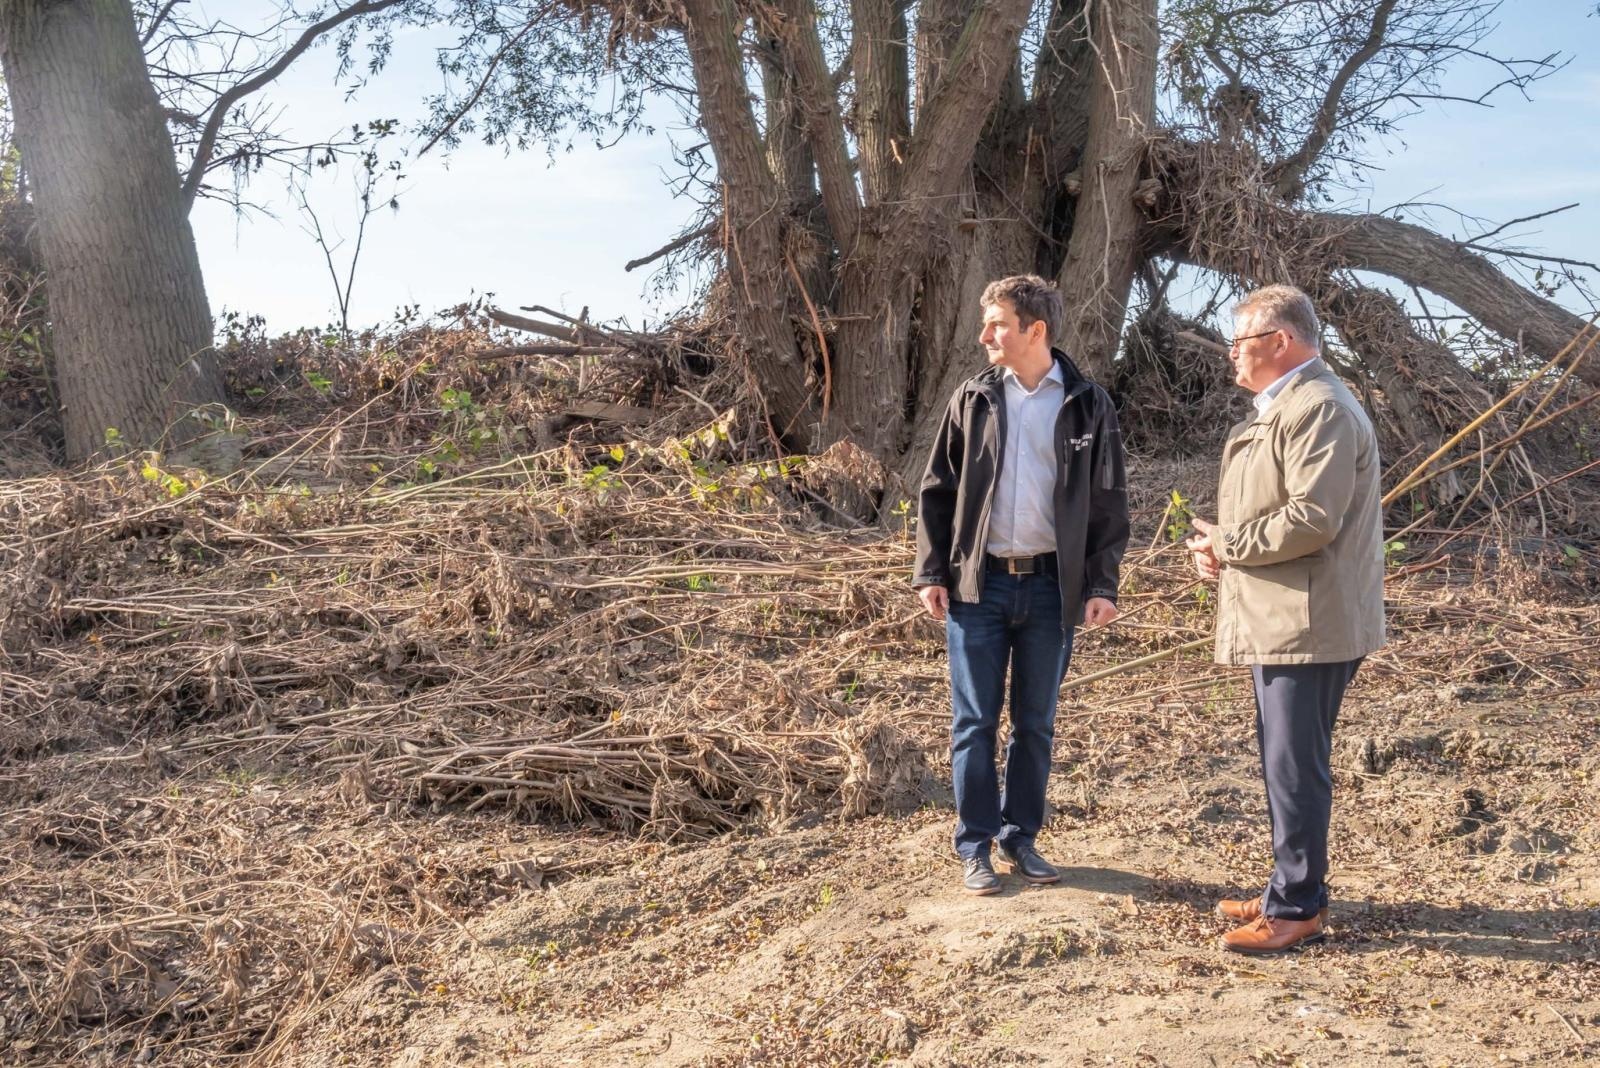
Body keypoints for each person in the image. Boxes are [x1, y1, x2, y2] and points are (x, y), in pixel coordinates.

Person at [914, 274, 1130, 896]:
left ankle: (1021, 837)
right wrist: (932, 571)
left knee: (1035, 722)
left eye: (997, 324)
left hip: (1050, 591)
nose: (985, 336)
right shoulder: (973, 398)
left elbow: (1109, 504)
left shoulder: (1088, 403)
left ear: (1034, 330)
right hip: (977, 589)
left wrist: (1102, 583)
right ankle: (975, 844)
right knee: (976, 720)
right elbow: (937, 489)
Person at [1186, 284, 1385, 953]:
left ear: (1282, 343)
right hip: (1287, 615)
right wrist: (1225, 551)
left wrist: (1230, 547)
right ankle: (1287, 886)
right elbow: (1274, 513)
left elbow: (1311, 518)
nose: (1231, 357)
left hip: (1310, 622)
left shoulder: (1319, 407)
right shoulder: (1289, 407)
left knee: (1294, 764)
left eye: (1240, 343)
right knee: (1285, 761)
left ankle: (1297, 906)